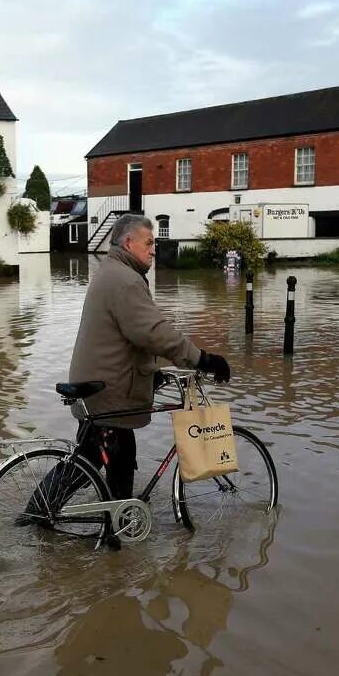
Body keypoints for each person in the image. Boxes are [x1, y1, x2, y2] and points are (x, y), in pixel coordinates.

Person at [66, 213, 230, 500]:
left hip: (99, 384)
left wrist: (157, 371)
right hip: (109, 392)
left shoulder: (112, 271)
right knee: (91, 464)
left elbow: (127, 338)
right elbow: (154, 332)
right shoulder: (125, 280)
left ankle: (118, 526)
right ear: (129, 243)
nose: (154, 249)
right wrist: (203, 359)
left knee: (108, 459)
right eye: (149, 242)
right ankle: (41, 517)